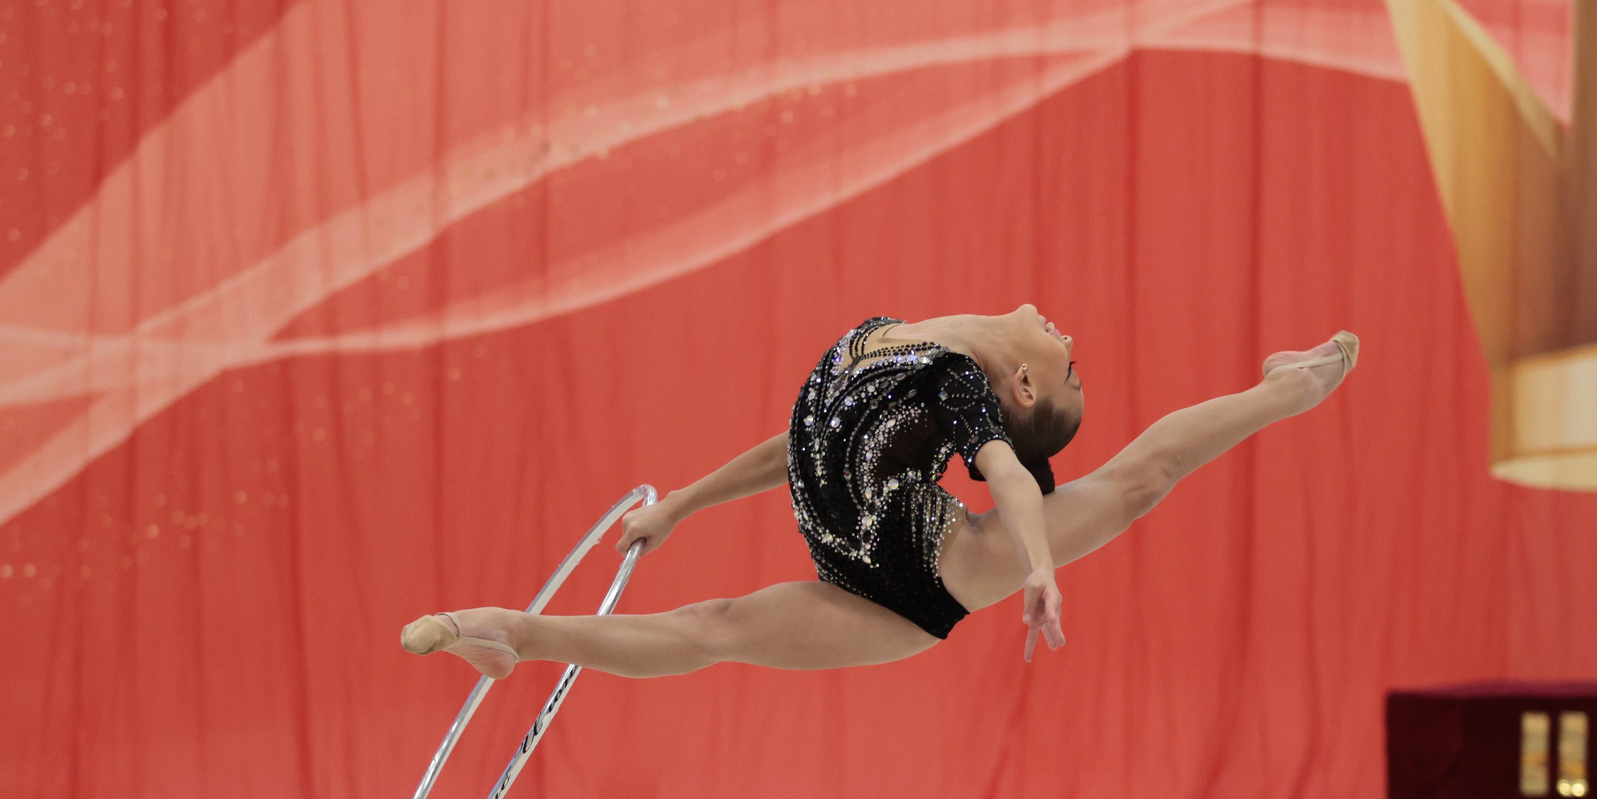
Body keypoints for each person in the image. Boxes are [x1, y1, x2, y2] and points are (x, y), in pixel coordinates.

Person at [401, 307, 1357, 677]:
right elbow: (801, 440)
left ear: (1020, 388)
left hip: (938, 566)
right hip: (860, 591)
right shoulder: (883, 339)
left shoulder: (959, 386)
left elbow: (1009, 476)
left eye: (1069, 364)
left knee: (1139, 481)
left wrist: (1037, 567)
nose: (1066, 336)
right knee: (714, 627)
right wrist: (681, 503)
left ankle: (1287, 388)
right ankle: (513, 635)